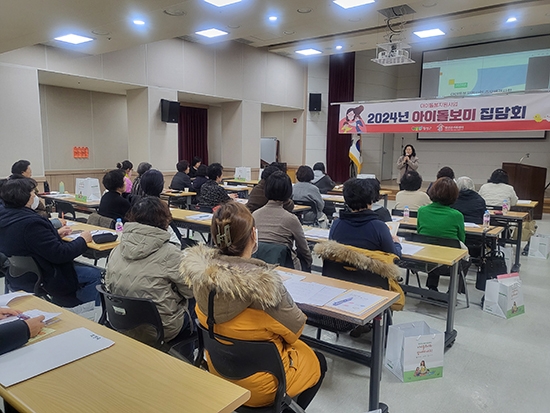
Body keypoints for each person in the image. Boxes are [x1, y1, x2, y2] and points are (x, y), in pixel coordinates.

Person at [180, 201, 326, 409]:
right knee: (318, 361)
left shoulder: (199, 280)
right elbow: (296, 329)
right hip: (263, 387)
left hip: (217, 370)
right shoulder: (266, 289)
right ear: (253, 235)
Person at [105, 197, 194, 347]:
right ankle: (187, 357)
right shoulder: (171, 254)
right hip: (160, 329)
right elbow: (190, 291)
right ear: (165, 221)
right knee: (197, 301)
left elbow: (108, 285)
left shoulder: (116, 250)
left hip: (122, 323)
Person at [0, 178, 101, 305]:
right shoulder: (31, 223)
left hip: (19, 274)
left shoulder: (6, 217)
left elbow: (28, 241)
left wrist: (54, 234)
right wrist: (83, 240)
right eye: (33, 193)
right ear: (25, 197)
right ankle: (82, 308)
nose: (35, 196)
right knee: (97, 274)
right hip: (47, 274)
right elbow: (61, 254)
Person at [253, 171, 312, 271]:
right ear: (288, 192)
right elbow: (304, 249)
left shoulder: (254, 215)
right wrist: (309, 263)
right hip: (285, 267)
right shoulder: (291, 219)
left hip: (258, 268)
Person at [330, 178, 401, 256]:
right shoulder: (379, 227)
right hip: (370, 264)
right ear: (371, 200)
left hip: (343, 263)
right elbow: (393, 255)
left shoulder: (336, 224)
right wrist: (397, 244)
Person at [418, 177, 465, 291]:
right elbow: (461, 240)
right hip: (449, 263)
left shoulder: (422, 211)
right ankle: (453, 291)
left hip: (424, 260)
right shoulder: (457, 215)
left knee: (433, 246)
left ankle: (432, 287)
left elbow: (420, 232)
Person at [139, 169, 182, 246]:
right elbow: (175, 233)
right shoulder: (161, 207)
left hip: (141, 243)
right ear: (160, 186)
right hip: (161, 245)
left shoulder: (138, 205)